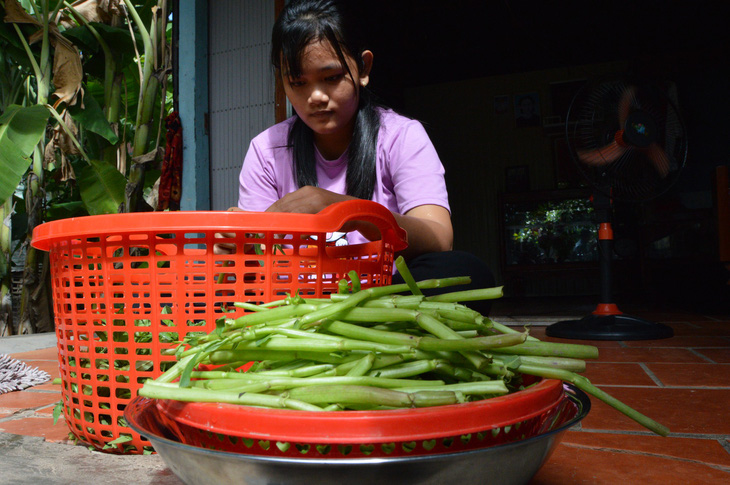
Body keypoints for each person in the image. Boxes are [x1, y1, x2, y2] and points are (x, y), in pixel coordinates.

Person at [234, 0, 495, 314]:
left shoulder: (401, 137)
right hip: (299, 302)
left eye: (330, 78)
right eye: (298, 82)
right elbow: (255, 264)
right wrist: (237, 244)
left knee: (466, 272)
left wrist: (342, 210)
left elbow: (439, 238)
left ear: (364, 68)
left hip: (387, 293)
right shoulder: (267, 151)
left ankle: (356, 327)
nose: (315, 96)